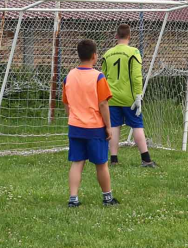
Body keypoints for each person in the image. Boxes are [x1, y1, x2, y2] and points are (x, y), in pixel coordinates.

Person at [62, 39, 119, 207]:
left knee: (77, 162)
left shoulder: (69, 76)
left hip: (75, 126)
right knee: (101, 163)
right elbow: (103, 104)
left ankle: (73, 199)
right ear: (94, 56)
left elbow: (66, 102)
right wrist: (108, 126)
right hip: (95, 128)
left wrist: (71, 117)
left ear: (79, 56)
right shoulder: (98, 77)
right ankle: (107, 198)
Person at [102, 23, 156, 167]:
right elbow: (136, 76)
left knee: (114, 126)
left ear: (116, 36)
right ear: (129, 37)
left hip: (111, 97)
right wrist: (138, 96)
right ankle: (146, 159)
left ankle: (113, 160)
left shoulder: (107, 54)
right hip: (130, 98)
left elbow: (103, 77)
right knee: (137, 125)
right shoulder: (134, 52)